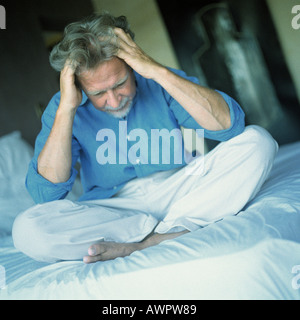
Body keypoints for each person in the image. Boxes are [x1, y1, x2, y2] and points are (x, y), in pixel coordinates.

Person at [12, 13, 278, 263]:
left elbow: (229, 127)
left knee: (258, 141)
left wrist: (156, 71)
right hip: (115, 210)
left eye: (120, 84)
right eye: (98, 93)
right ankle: (168, 230)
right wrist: (67, 108)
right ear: (80, 88)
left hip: (180, 189)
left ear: (132, 66)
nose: (114, 100)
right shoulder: (63, 107)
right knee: (26, 229)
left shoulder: (159, 80)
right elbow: (45, 195)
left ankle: (152, 239)